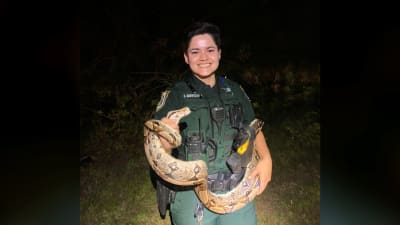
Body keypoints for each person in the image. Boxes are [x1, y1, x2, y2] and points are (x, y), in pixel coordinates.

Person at [152, 21, 272, 225]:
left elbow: (253, 126)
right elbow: (161, 146)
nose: (204, 57)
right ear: (186, 57)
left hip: (236, 180)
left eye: (210, 49)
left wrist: (266, 158)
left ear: (219, 53)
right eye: (195, 51)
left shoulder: (235, 90)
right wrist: (166, 138)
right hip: (190, 189)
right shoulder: (175, 95)